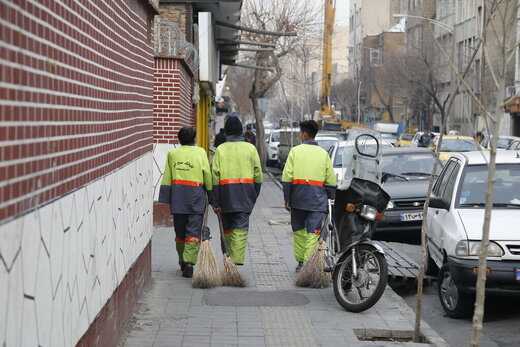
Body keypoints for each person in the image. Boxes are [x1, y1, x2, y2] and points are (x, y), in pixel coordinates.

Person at [282, 120, 337, 272]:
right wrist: (331, 201)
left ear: (305, 134)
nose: (300, 135)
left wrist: (287, 198)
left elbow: (287, 177)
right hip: (317, 201)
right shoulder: (324, 154)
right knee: (313, 233)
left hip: (298, 199)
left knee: (299, 232)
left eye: (300, 133)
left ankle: (301, 263)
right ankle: (309, 265)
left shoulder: (295, 151)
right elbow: (331, 180)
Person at [158, 127, 212, 278]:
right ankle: (189, 264)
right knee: (193, 232)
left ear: (179, 139)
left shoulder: (173, 154)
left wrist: (165, 197)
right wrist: (211, 195)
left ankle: (183, 260)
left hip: (178, 197)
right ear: (194, 138)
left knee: (180, 233)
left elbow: (167, 176)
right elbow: (207, 175)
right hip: (196, 198)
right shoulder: (201, 152)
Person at [211, 117, 263, 265]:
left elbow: (214, 176)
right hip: (246, 193)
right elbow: (258, 175)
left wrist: (215, 201)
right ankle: (237, 260)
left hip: (225, 195)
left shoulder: (221, 149)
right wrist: (254, 194)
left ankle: (228, 258)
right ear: (241, 131)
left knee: (227, 229)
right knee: (240, 228)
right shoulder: (250, 148)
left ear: (226, 132)